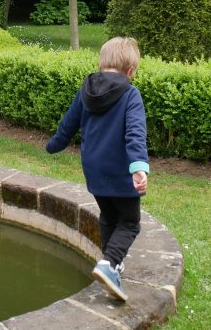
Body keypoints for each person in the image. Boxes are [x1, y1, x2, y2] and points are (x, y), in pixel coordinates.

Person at [46, 36, 149, 303]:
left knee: (108, 215)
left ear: (101, 63)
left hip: (93, 171)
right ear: (130, 71)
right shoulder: (130, 94)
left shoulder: (86, 91)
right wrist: (139, 168)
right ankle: (109, 263)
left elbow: (68, 124)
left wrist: (53, 145)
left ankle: (111, 264)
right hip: (119, 171)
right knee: (129, 222)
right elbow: (135, 134)